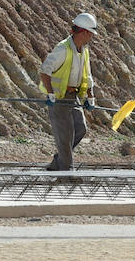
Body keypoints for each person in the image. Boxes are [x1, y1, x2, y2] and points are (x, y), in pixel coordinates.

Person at [38, 12, 98, 171]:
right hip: (59, 98)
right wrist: (51, 93)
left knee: (80, 129)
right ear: (84, 32)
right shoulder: (63, 49)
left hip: (74, 97)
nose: (92, 37)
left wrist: (90, 96)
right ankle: (67, 171)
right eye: (91, 33)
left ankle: (58, 162)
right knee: (65, 136)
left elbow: (88, 74)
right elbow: (45, 71)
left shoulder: (84, 50)